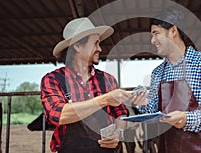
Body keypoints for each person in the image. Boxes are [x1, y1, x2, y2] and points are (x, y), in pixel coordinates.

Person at [41, 17, 145, 153]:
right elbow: (59, 114)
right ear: (77, 46)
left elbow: (120, 114)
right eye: (95, 44)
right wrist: (105, 99)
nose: (100, 49)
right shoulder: (52, 80)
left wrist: (118, 133)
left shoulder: (108, 80)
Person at [138, 9, 201, 153]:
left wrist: (187, 119)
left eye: (156, 33)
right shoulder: (157, 73)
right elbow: (153, 116)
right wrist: (143, 103)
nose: (152, 41)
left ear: (173, 31)